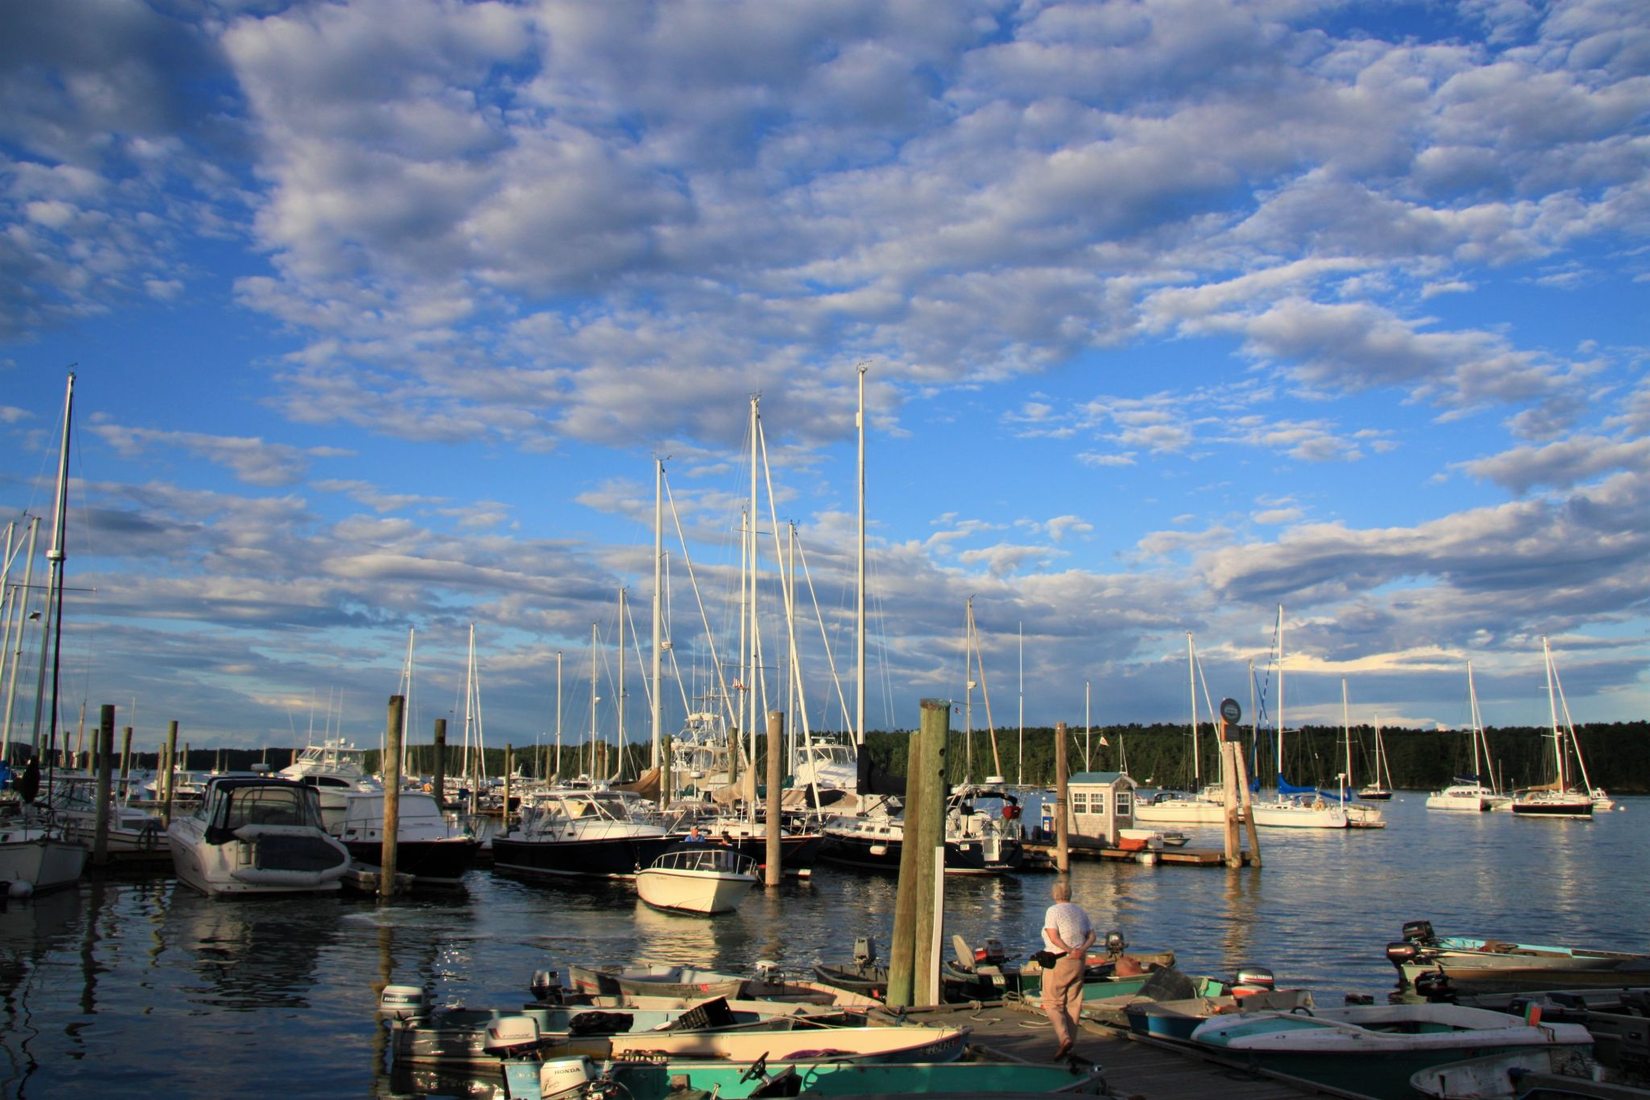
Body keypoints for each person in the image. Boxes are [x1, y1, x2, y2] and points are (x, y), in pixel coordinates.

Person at [1041, 877, 1095, 1060]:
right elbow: (1092, 935)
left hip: (1059, 959)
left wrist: (1069, 950)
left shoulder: (1053, 911)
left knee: (1052, 1002)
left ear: (1054, 894)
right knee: (1073, 1002)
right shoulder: (1080, 911)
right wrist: (1081, 950)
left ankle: (1064, 1039)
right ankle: (1071, 1045)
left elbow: (1053, 936)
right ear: (1070, 894)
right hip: (1078, 961)